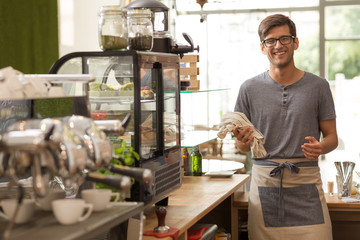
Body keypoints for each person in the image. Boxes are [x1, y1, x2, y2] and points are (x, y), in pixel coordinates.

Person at [232, 14, 338, 240]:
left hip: (307, 182)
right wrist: (243, 140)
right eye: (270, 40)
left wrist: (321, 147)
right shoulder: (248, 89)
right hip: (265, 184)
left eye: (284, 39)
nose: (278, 45)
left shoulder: (319, 86)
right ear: (263, 47)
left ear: (295, 42)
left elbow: (332, 138)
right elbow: (241, 147)